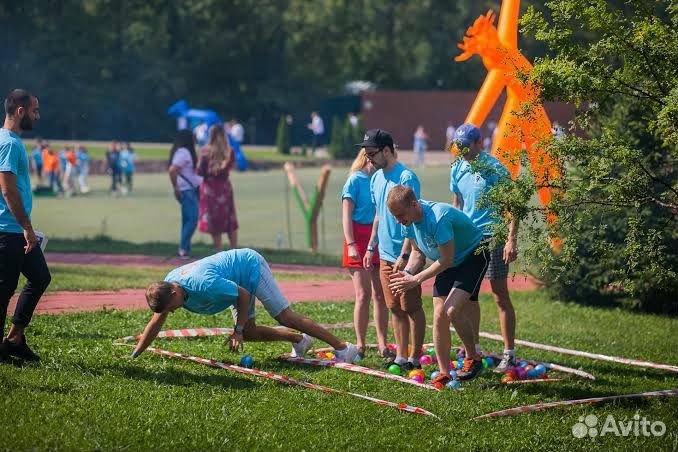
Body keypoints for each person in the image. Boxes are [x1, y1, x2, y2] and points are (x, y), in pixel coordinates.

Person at [131, 249, 358, 363]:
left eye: (171, 306)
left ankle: (343, 348)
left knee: (284, 316)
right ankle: (300, 340)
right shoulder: (169, 286)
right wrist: (136, 354)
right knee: (249, 332)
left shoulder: (204, 284)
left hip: (249, 267)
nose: (172, 311)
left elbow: (243, 294)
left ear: (174, 292)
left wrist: (236, 331)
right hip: (234, 281)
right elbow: (155, 322)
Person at [386, 185, 488, 385]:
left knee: (452, 310)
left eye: (400, 215)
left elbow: (447, 259)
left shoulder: (438, 217)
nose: (398, 220)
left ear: (414, 204)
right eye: (395, 216)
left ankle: (473, 357)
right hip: (448, 262)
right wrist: (407, 274)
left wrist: (416, 279)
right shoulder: (407, 221)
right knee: (439, 314)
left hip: (472, 256)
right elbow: (417, 254)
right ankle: (444, 372)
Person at [449, 123, 519, 372]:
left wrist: (511, 239)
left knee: (500, 295)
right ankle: (474, 349)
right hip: (468, 239)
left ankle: (509, 353)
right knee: (469, 295)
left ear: (480, 143)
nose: (464, 151)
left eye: (468, 147)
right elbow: (457, 202)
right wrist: (452, 232)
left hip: (494, 236)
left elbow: (513, 205)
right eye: (460, 147)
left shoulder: (495, 168)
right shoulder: (457, 167)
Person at [359, 128, 426, 371]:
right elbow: (378, 215)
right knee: (394, 308)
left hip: (407, 256)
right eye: (366, 154)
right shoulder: (375, 178)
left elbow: (415, 219)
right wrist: (370, 247)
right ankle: (401, 355)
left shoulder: (406, 177)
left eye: (372, 153)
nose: (369, 159)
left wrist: (405, 254)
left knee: (411, 307)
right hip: (385, 255)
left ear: (387, 150)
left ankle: (416, 356)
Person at [0, 89, 51, 363]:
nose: (37, 116)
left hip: (15, 230)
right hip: (8, 231)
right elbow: (8, 190)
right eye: (34, 111)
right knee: (4, 291)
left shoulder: (9, 140)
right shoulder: (8, 144)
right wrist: (27, 228)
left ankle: (14, 338)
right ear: (21, 111)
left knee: (40, 277)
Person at [341, 148, 391, 359]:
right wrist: (351, 244)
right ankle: (360, 343)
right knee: (363, 295)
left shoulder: (381, 179)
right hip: (357, 237)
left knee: (381, 295)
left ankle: (382, 343)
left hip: (377, 237)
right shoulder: (354, 180)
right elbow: (346, 216)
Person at [197, 125, 238, 251]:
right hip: (225, 188)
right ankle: (234, 249)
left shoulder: (205, 151)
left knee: (214, 221)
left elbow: (199, 171)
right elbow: (232, 166)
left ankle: (218, 250)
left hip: (209, 190)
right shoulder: (229, 152)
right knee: (229, 219)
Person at [169, 129, 202, 259]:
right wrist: (175, 187)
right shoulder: (184, 153)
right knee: (192, 219)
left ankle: (185, 248)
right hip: (186, 190)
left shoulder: (182, 152)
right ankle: (183, 249)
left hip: (188, 189)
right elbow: (173, 170)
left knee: (187, 220)